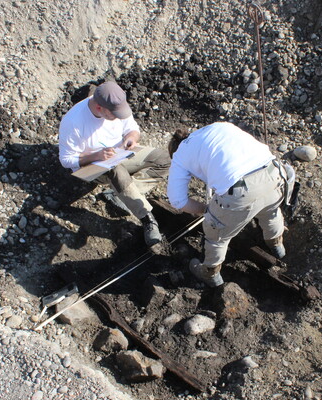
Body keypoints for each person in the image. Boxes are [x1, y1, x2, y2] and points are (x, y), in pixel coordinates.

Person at [167, 122, 287, 287]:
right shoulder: (216, 127)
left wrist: (206, 211)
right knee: (271, 211)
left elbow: (177, 201)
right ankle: (277, 246)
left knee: (216, 235)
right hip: (275, 173)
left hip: (240, 191)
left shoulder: (179, 155)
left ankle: (210, 273)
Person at [58, 81, 171, 247]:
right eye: (114, 115)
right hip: (93, 167)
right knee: (116, 171)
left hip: (120, 153)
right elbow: (66, 160)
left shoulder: (115, 106)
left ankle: (121, 196)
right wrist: (95, 155)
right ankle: (147, 218)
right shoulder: (73, 122)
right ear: (99, 108)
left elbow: (132, 127)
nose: (118, 117)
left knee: (165, 160)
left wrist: (131, 138)